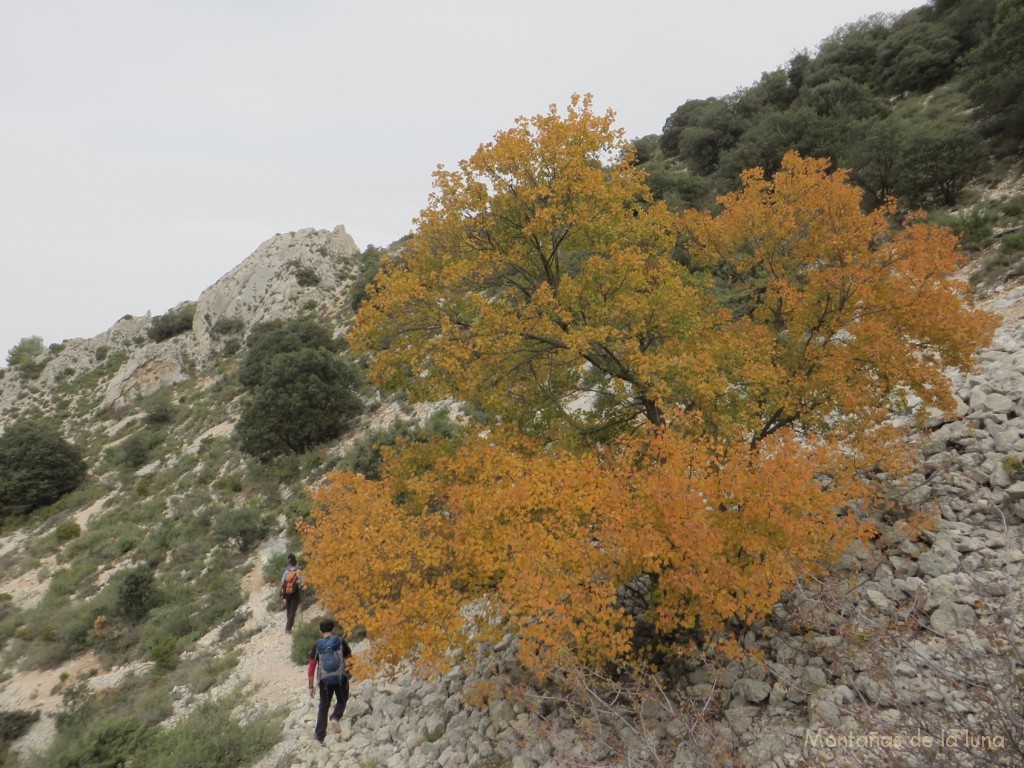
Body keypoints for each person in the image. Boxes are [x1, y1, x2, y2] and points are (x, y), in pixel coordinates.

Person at [307, 618, 352, 744]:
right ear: (333, 629)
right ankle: (335, 717)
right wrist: (350, 673)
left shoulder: (317, 645)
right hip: (340, 678)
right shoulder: (340, 641)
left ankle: (320, 735)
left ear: (321, 631)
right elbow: (349, 658)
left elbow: (311, 667)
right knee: (342, 699)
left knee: (324, 705)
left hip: (324, 680)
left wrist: (311, 687)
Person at [279, 554, 304, 632]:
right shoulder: (299, 571)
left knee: (289, 608)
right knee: (293, 609)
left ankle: (289, 624)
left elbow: (282, 582)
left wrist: (280, 591)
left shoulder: (287, 571)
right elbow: (302, 582)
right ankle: (288, 628)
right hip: (295, 592)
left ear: (290, 563)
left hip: (286, 591)